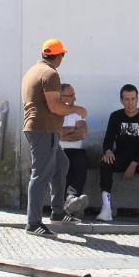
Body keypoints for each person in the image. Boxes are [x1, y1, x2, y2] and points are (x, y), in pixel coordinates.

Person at [20, 38, 88, 235]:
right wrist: (77, 109)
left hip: (42, 129)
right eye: (62, 55)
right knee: (40, 175)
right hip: (43, 130)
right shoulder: (50, 74)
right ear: (59, 56)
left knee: (61, 164)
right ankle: (33, 223)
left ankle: (57, 212)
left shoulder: (33, 71)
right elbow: (55, 106)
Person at [96, 84, 139, 224]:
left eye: (133, 99)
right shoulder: (116, 116)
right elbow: (108, 140)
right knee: (105, 161)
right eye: (127, 99)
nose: (130, 103)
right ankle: (106, 208)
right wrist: (108, 151)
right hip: (121, 156)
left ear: (137, 99)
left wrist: (134, 164)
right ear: (121, 100)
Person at [59, 83, 89, 213]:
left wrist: (62, 133)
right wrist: (72, 130)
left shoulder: (77, 114)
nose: (74, 98)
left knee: (80, 160)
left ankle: (72, 197)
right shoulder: (52, 113)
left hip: (76, 152)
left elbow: (82, 133)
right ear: (60, 96)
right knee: (62, 164)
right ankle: (69, 201)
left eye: (74, 95)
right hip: (57, 151)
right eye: (71, 95)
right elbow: (54, 132)